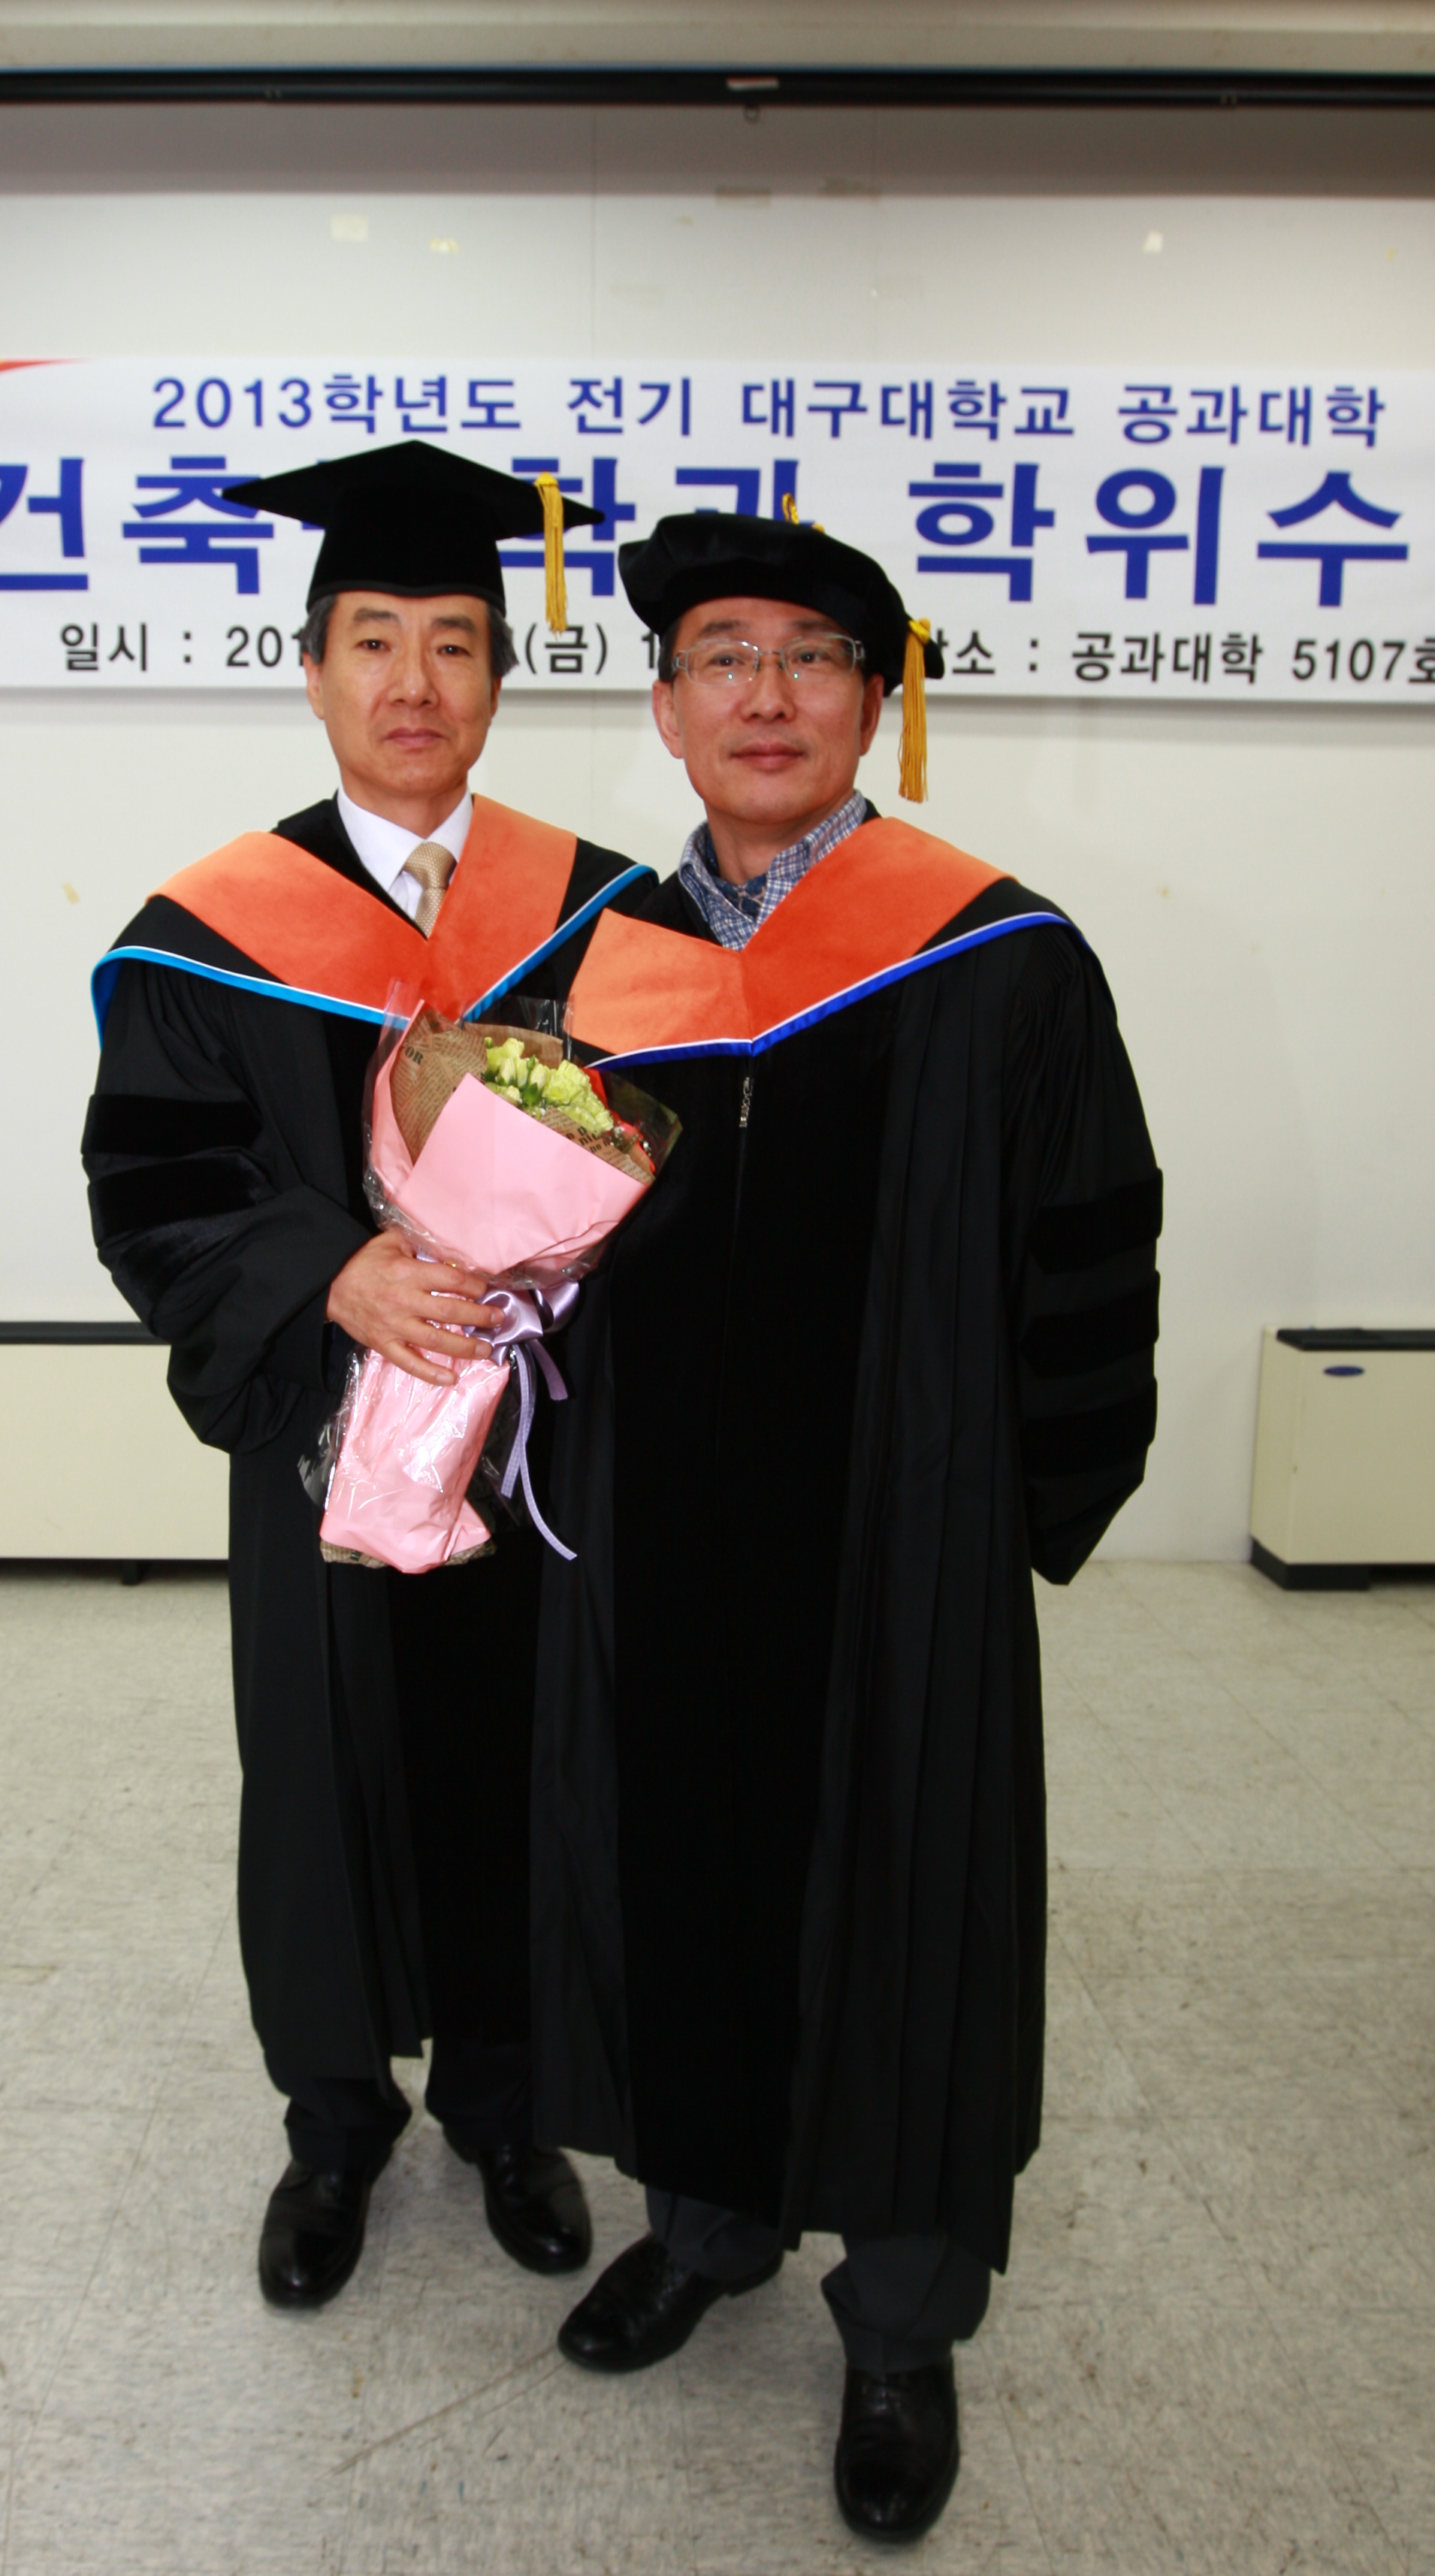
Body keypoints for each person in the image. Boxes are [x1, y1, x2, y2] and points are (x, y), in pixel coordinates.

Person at [532, 509, 1161, 2543]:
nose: (767, 695)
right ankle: (708, 2221)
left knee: (906, 1896)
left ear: (875, 703)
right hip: (651, 1545)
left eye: (812, 657)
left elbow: (1092, 1249)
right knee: (670, 1869)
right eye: (724, 657)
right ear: (666, 707)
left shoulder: (1000, 956)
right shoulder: (597, 970)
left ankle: (900, 2317)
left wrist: (1013, 1521)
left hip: (902, 1550)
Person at [83, 441, 650, 2314]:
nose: (417, 682)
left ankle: (507, 2104)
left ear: (501, 676)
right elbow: (152, 1187)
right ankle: (333, 2123)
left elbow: (677, 1166)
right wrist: (332, 1272)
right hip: (320, 1439)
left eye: (457, 641)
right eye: (377, 639)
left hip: (536, 1450)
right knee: (320, 1771)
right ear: (313, 667)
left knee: (519, 1760)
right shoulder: (211, 933)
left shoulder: (606, 915)